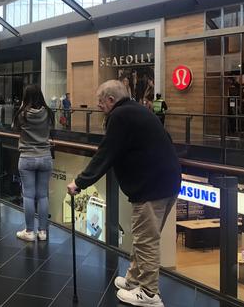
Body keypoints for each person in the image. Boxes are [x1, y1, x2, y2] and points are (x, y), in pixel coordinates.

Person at [66, 80, 181, 307]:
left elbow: (105, 153)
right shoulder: (138, 110)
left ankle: (149, 293)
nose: (99, 107)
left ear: (111, 100)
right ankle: (134, 279)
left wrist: (80, 182)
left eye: (101, 102)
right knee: (143, 236)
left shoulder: (119, 117)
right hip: (166, 181)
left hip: (151, 186)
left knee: (146, 239)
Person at [12, 85, 54, 242]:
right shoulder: (48, 113)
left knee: (29, 196)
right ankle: (43, 232)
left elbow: (15, 129)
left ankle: (29, 232)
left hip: (27, 157)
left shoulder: (22, 114)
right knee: (43, 195)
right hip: (45, 156)